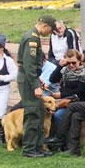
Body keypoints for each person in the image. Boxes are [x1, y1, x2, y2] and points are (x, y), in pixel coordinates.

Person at [17, 14, 56, 158]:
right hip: (28, 81)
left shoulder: (34, 36)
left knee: (39, 111)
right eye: (50, 30)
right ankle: (29, 149)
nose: (49, 34)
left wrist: (38, 81)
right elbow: (29, 65)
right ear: (45, 26)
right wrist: (35, 86)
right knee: (33, 113)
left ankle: (38, 147)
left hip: (31, 78)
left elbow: (32, 66)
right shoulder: (32, 39)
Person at [45, 49, 85, 141]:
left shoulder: (84, 72)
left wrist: (61, 94)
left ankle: (62, 140)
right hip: (63, 100)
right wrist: (59, 66)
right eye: (68, 63)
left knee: (58, 115)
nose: (71, 65)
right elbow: (52, 79)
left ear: (79, 61)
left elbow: (81, 90)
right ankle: (49, 138)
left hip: (77, 100)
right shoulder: (65, 70)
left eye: (74, 63)